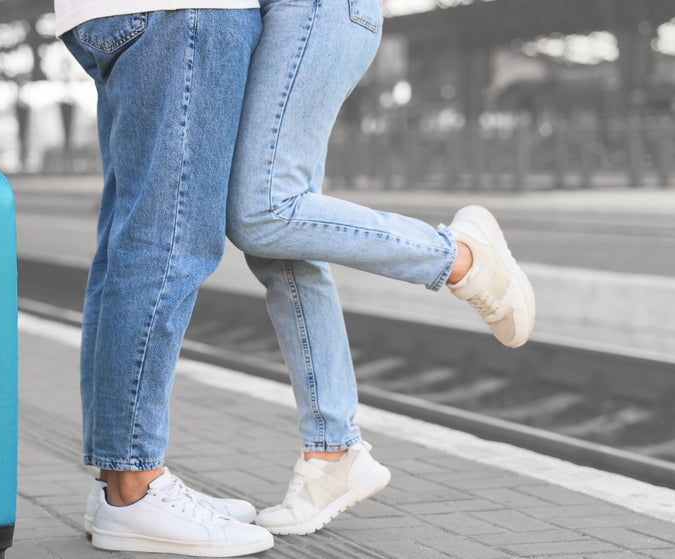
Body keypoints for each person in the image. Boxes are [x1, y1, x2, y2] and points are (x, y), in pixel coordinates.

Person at [224, 0, 536, 536]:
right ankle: (333, 457)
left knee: (265, 212)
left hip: (312, 10)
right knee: (281, 245)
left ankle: (459, 258)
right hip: (293, 16)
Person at [54, 1, 276, 556]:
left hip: (117, 15)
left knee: (129, 245)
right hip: (186, 13)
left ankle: (118, 483)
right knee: (168, 242)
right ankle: (134, 488)